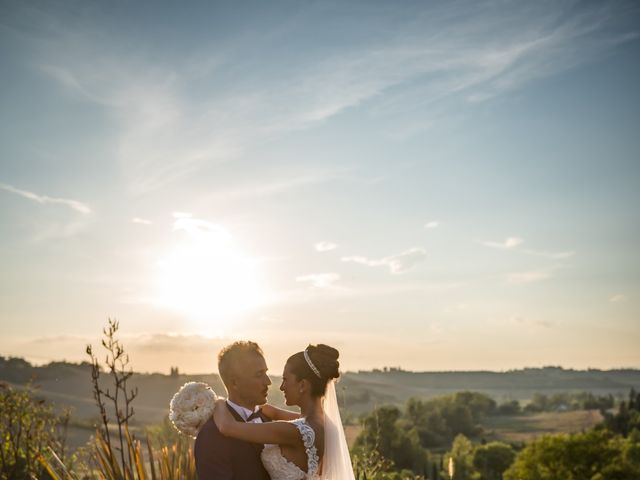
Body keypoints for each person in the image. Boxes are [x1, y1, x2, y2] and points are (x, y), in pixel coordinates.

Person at [213, 344, 355, 480]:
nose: (281, 387)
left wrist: (218, 402)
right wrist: (262, 407)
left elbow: (227, 427)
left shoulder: (293, 432)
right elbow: (277, 414)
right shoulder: (323, 423)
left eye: (285, 380)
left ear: (302, 385)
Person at [194, 340, 274, 479]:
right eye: (259, 375)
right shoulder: (211, 435)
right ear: (234, 383)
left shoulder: (270, 420)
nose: (268, 382)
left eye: (266, 373)